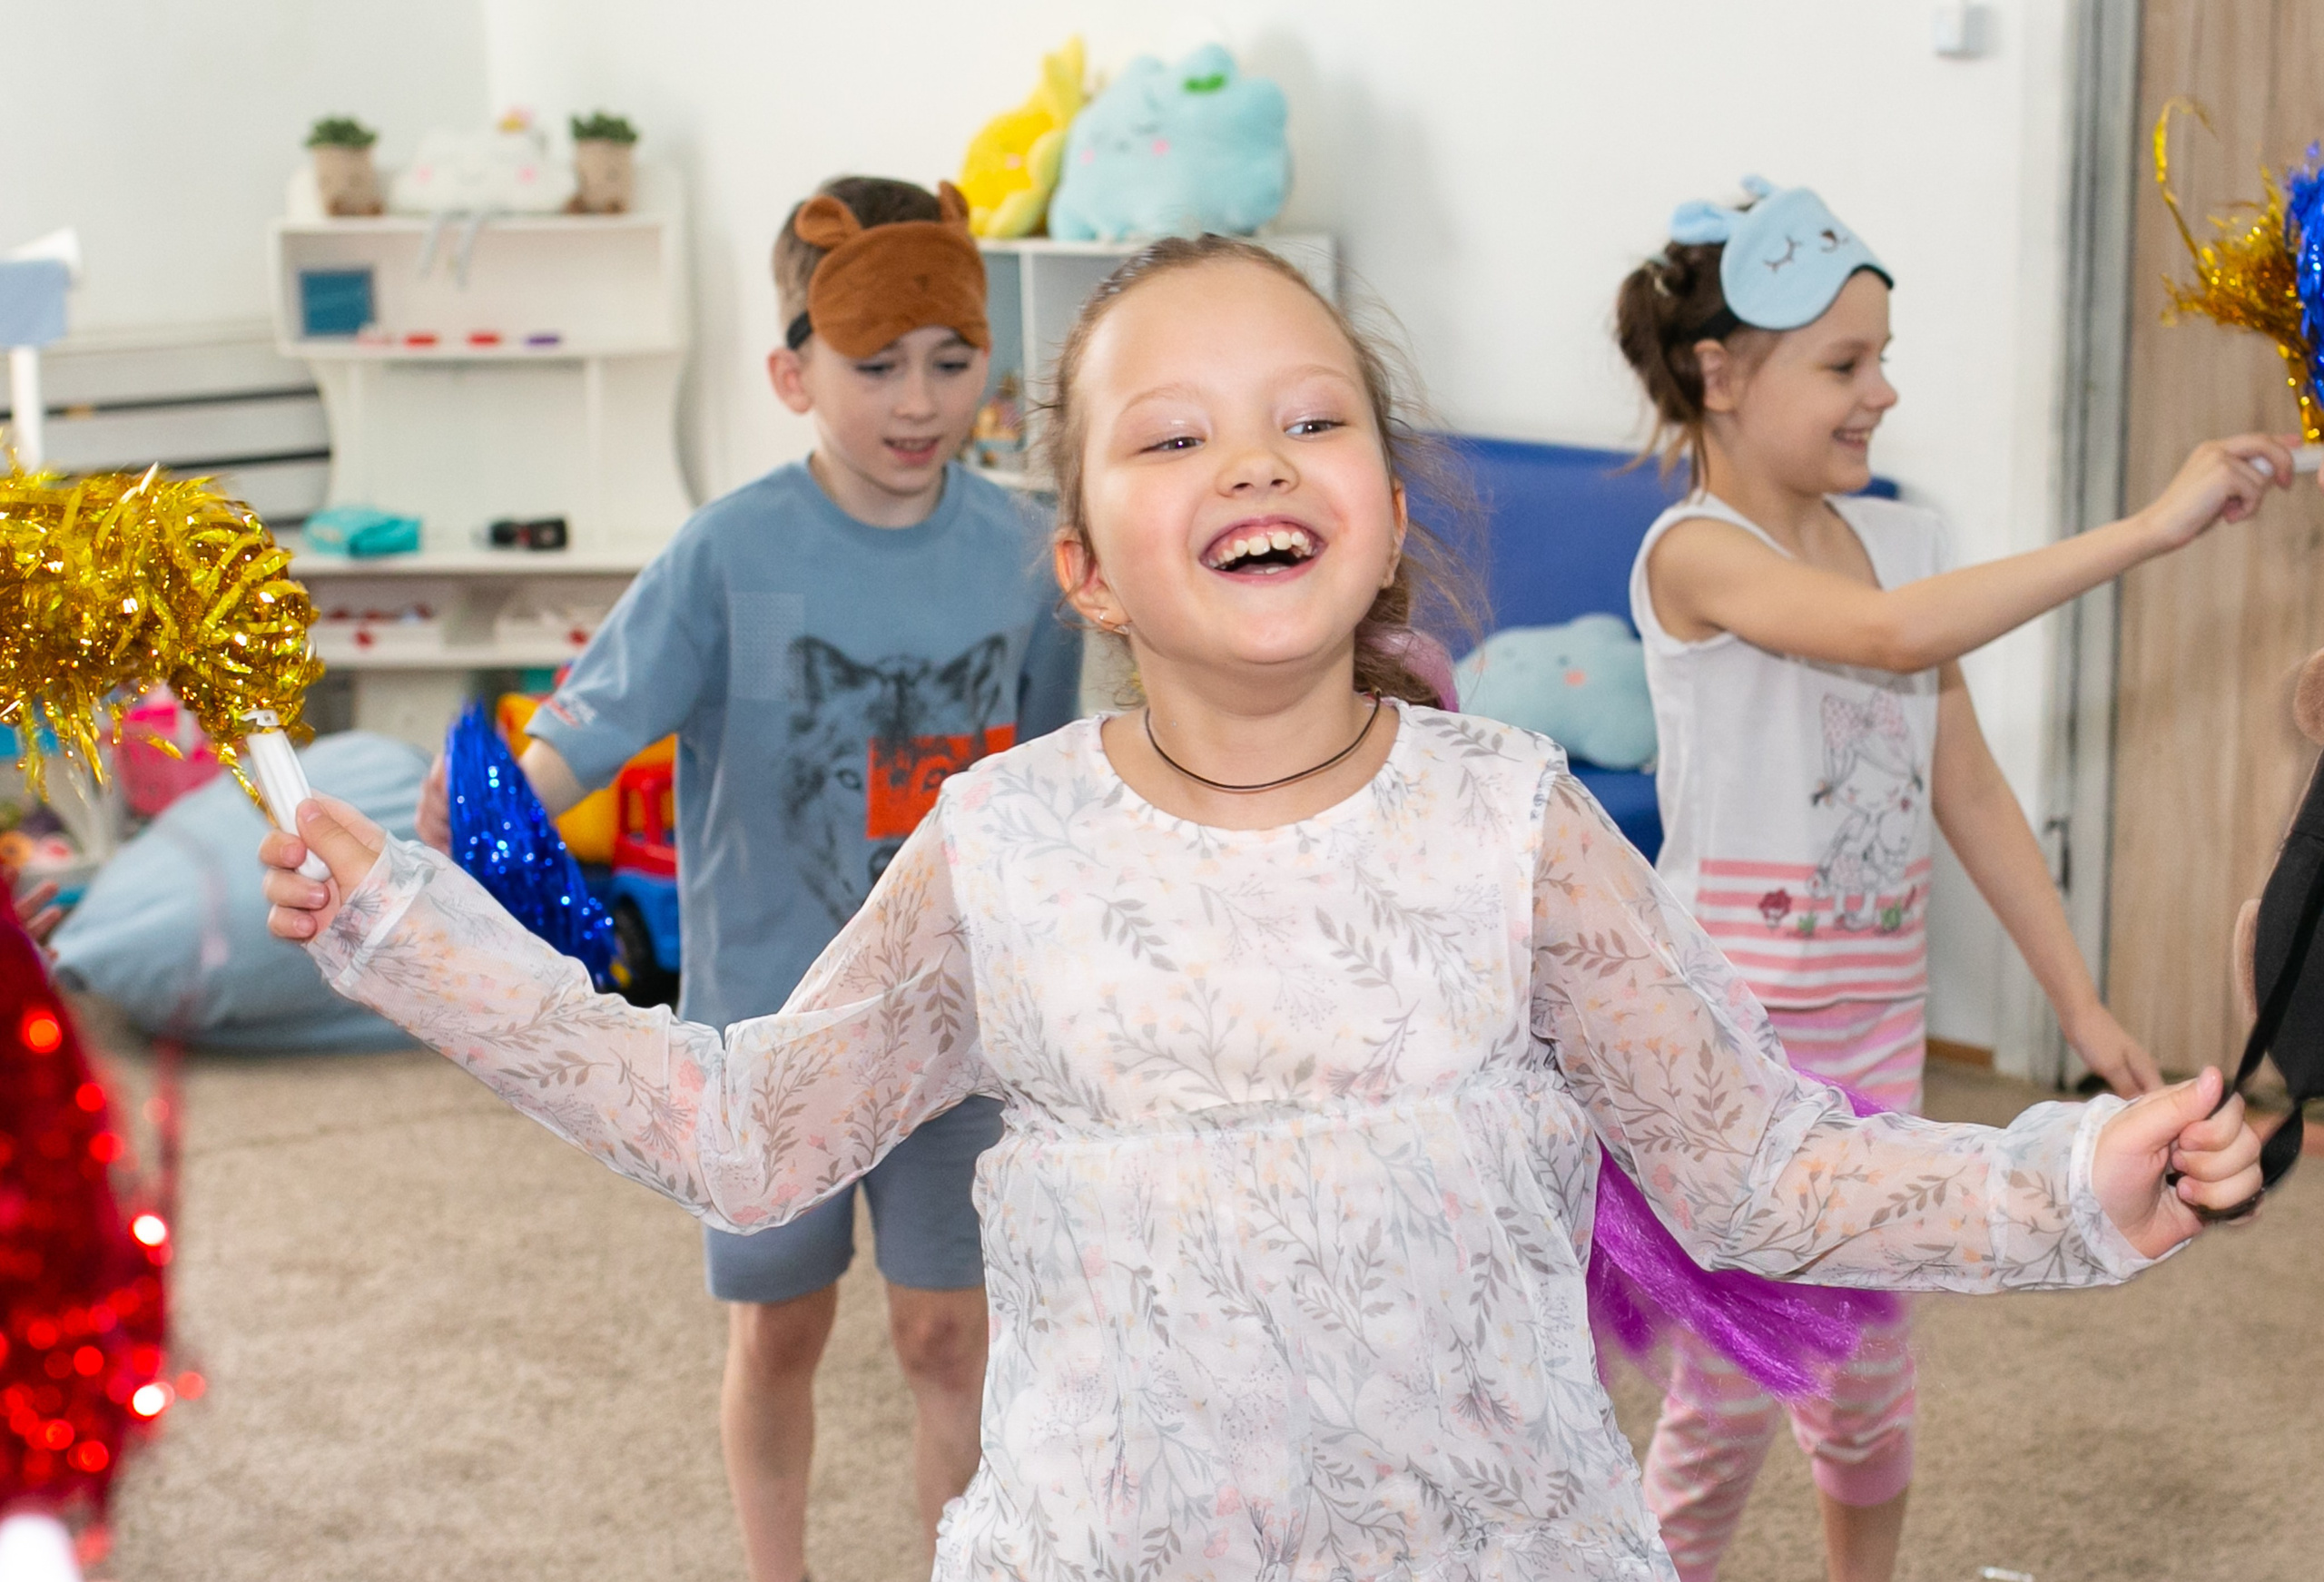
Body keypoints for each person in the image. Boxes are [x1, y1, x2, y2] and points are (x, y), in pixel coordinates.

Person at [271, 235, 2262, 1582]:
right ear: (1085, 568)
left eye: (1311, 418)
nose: (1253, 455)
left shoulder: (1516, 820)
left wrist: (2073, 1180)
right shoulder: (1001, 847)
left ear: (1384, 510)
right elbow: (744, 1130)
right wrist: (400, 930)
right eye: (1170, 431)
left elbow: (1757, 1171)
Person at [1612, 177, 2308, 1582]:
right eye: (1844, 365)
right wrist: (2148, 528)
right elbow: (1878, 638)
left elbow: (1969, 785)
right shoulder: (1692, 553)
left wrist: (2081, 1001)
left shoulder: (1907, 536)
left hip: (1875, 1034)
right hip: (1741, 1062)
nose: (1881, 394)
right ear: (1720, 375)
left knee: (1872, 1381)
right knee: (1731, 1398)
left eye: (1884, 358)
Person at [410, 175, 1082, 1582]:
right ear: (792, 372)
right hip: (768, 1036)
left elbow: (1051, 787)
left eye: (952, 363)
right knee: (781, 1327)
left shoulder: (1026, 553)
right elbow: (583, 734)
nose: (919, 400)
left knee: (948, 1332)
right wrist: (480, 832)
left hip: (954, 1027)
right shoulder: (731, 554)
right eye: (875, 365)